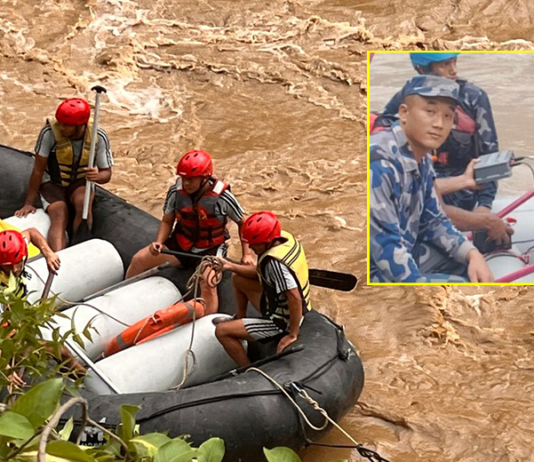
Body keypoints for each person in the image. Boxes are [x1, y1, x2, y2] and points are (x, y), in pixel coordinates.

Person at [379, 52, 513, 247]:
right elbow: (384, 132)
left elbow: (489, 156)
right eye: (444, 65)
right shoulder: (407, 99)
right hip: (421, 190)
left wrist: (484, 206)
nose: (453, 70)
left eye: (454, 62)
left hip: (461, 192)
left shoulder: (473, 97)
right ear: (422, 69)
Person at [370, 74, 493, 283]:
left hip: (406, 249)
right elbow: (387, 248)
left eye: (448, 116)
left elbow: (434, 220)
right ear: (404, 113)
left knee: (470, 267)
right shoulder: (379, 163)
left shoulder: (422, 155)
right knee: (461, 287)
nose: (439, 124)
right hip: (369, 271)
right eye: (430, 111)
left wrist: (472, 253)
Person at [126, 150, 254, 314]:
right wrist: (159, 241)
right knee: (139, 259)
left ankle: (205, 321)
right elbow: (167, 220)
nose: (186, 183)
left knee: (208, 282)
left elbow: (244, 223)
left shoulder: (223, 197)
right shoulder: (175, 192)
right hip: (181, 244)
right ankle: (125, 300)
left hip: (210, 250)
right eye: (184, 178)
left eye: (191, 179)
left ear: (205, 177)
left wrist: (247, 254)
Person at [15, 98, 114, 250]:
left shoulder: (98, 136)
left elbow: (106, 174)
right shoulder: (49, 133)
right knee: (59, 214)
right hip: (53, 182)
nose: (61, 127)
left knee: (83, 205)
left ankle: (78, 247)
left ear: (79, 125)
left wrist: (97, 176)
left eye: (66, 125)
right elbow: (38, 170)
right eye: (60, 123)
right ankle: (59, 256)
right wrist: (28, 203)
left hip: (80, 181)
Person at [214, 211, 311, 367]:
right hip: (279, 303)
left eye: (255, 244)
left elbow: (294, 297)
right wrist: (230, 266)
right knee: (237, 278)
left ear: (268, 241)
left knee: (221, 331)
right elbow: (260, 272)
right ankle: (239, 318)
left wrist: (292, 334)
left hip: (281, 321)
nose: (251, 248)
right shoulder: (284, 240)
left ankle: (247, 368)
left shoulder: (275, 264)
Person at [0, 229, 60, 300]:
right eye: (8, 266)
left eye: (18, 262)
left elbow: (31, 232)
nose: (15, 269)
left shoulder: (19, 244)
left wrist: (48, 253)